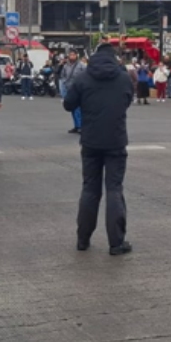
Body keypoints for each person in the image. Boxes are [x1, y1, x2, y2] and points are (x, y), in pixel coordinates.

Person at [63, 43, 134, 255]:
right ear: (114, 57)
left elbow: (68, 104)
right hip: (115, 140)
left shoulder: (83, 77)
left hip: (91, 140)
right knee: (114, 189)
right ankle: (116, 243)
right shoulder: (123, 78)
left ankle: (83, 239)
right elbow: (127, 100)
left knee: (90, 189)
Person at [58, 51, 86, 135]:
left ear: (76, 56)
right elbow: (62, 76)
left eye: (73, 55)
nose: (72, 56)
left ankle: (80, 126)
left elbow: (86, 75)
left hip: (79, 89)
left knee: (78, 109)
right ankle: (76, 126)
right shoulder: (66, 66)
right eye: (70, 55)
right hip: (69, 89)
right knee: (72, 108)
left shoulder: (81, 65)